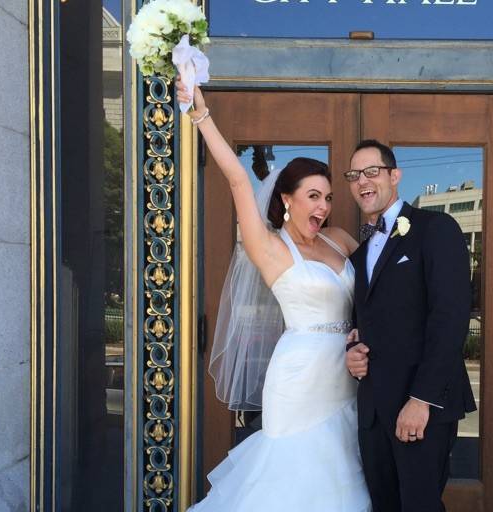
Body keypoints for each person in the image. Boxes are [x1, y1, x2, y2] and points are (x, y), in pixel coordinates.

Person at [177, 80, 371, 512]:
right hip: (299, 378)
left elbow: (379, 287)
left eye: (328, 197)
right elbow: (236, 181)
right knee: (291, 478)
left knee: (341, 474)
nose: (323, 206)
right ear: (287, 198)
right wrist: (200, 115)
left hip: (346, 376)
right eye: (313, 196)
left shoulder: (339, 239)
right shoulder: (269, 248)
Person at [345, 140, 476, 512]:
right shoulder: (358, 253)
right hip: (373, 411)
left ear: (395, 175)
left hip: (421, 409)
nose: (362, 181)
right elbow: (363, 322)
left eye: (372, 171)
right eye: (354, 175)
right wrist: (351, 351)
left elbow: (450, 318)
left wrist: (421, 400)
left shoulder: (436, 229)